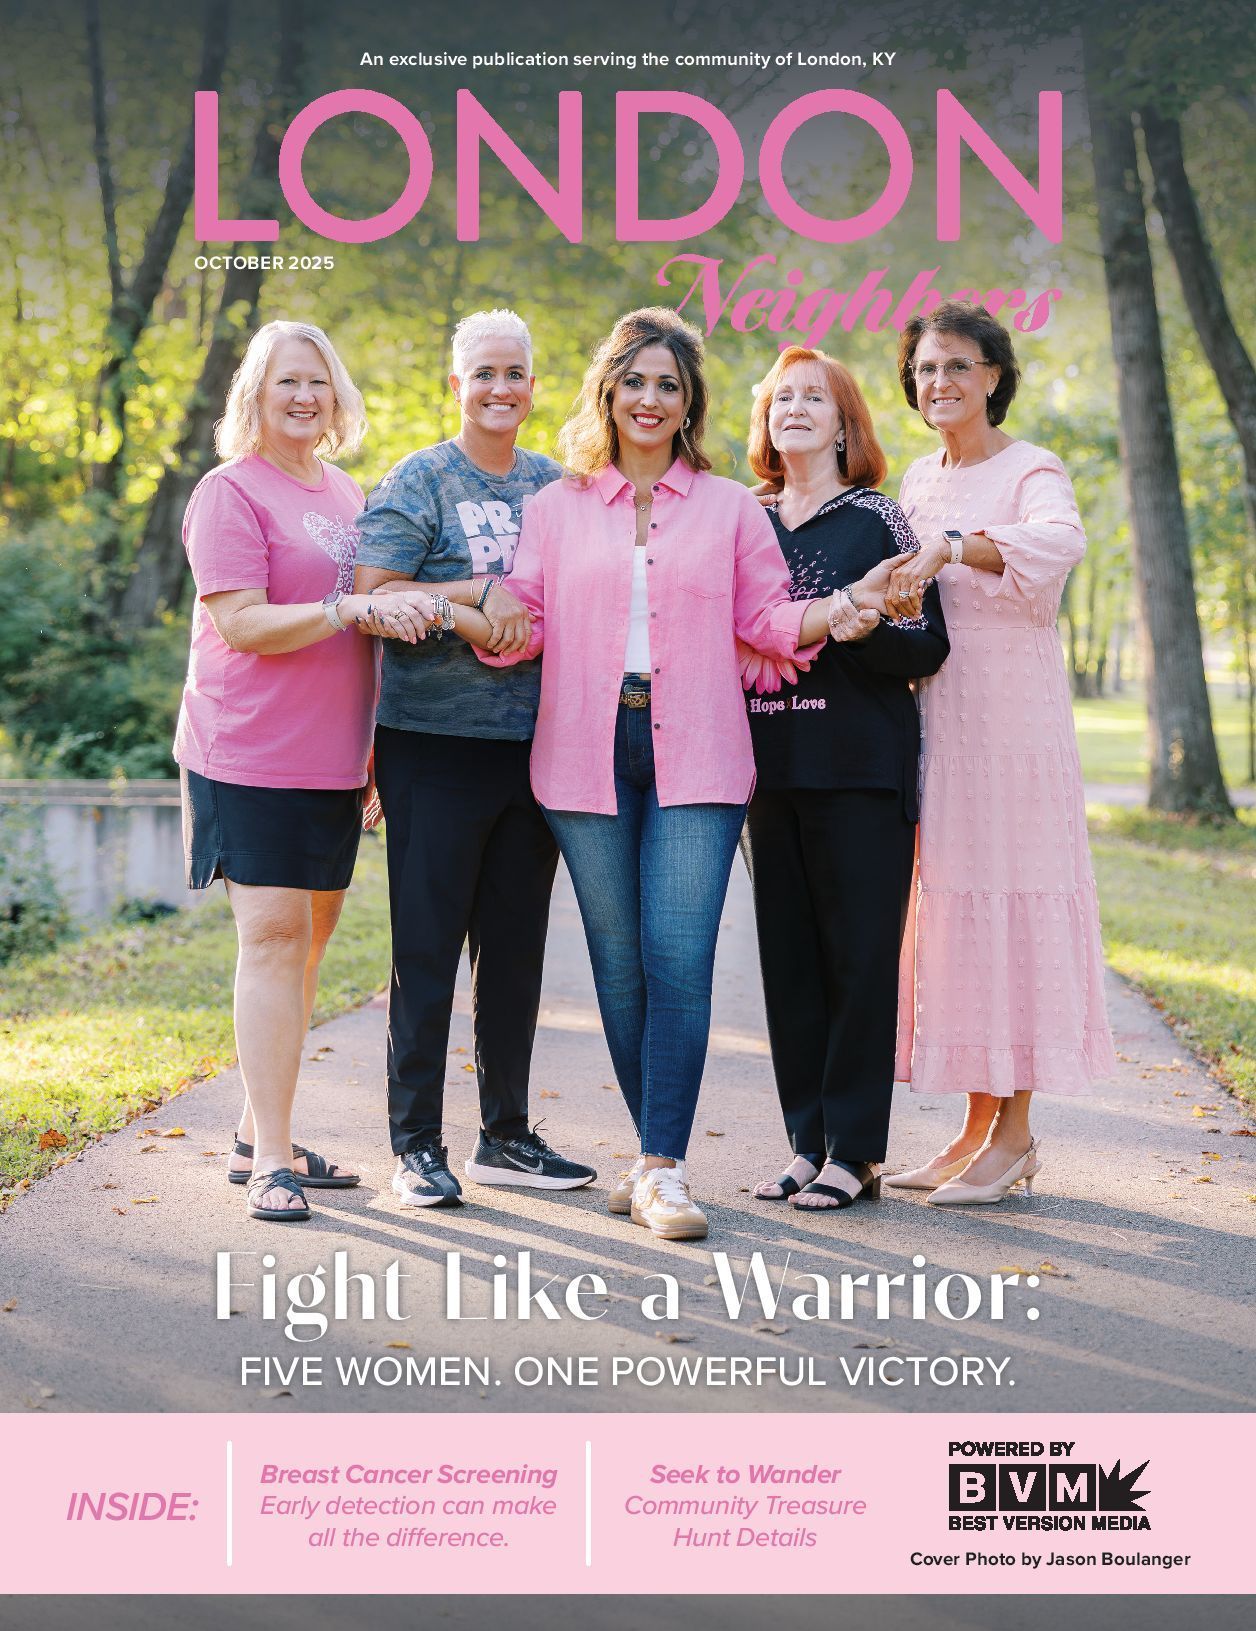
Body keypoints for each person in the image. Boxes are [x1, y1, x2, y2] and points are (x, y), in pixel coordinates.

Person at [442, 308, 842, 1240]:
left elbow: (770, 622)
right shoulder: (558, 506)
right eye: (635, 382)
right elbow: (526, 621)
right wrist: (457, 609)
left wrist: (852, 605)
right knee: (619, 970)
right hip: (583, 754)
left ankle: (662, 1166)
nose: (651, 400)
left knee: (680, 961)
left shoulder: (732, 507)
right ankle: (652, 1150)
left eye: (669, 384)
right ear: (608, 393)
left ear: (689, 400)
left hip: (699, 753)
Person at [174, 319, 434, 1222]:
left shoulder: (344, 488)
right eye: (287, 381)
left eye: (318, 382)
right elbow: (243, 622)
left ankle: (259, 1130)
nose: (304, 397)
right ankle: (273, 1162)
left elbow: (356, 629)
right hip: (246, 748)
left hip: (331, 757)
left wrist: (366, 744)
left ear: (336, 396)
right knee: (276, 936)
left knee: (312, 941)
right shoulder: (226, 493)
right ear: (256, 392)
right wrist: (345, 605)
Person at [353, 308, 596, 1208]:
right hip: (431, 748)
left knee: (515, 952)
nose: (502, 388)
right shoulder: (419, 480)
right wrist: (470, 593)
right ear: (454, 385)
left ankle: (507, 1133)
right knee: (427, 950)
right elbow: (368, 595)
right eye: (484, 372)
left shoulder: (556, 486)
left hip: (531, 751)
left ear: (535, 387)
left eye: (517, 373)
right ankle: (416, 1144)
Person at [883, 301, 1118, 1205]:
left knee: (1009, 911)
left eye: (956, 365)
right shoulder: (917, 477)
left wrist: (955, 547)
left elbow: (1061, 542)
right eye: (925, 368)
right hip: (939, 724)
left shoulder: (1031, 469)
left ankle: (1016, 1135)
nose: (938, 382)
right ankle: (977, 1127)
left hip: (1014, 733)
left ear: (993, 375)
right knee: (956, 918)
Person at [741, 347, 949, 1211]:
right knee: (788, 962)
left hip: (860, 772)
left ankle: (855, 1151)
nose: (793, 408)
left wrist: (861, 628)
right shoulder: (743, 518)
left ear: (843, 422)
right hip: (766, 773)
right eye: (779, 397)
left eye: (812, 398)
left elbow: (928, 645)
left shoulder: (878, 520)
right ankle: (805, 1140)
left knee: (859, 963)